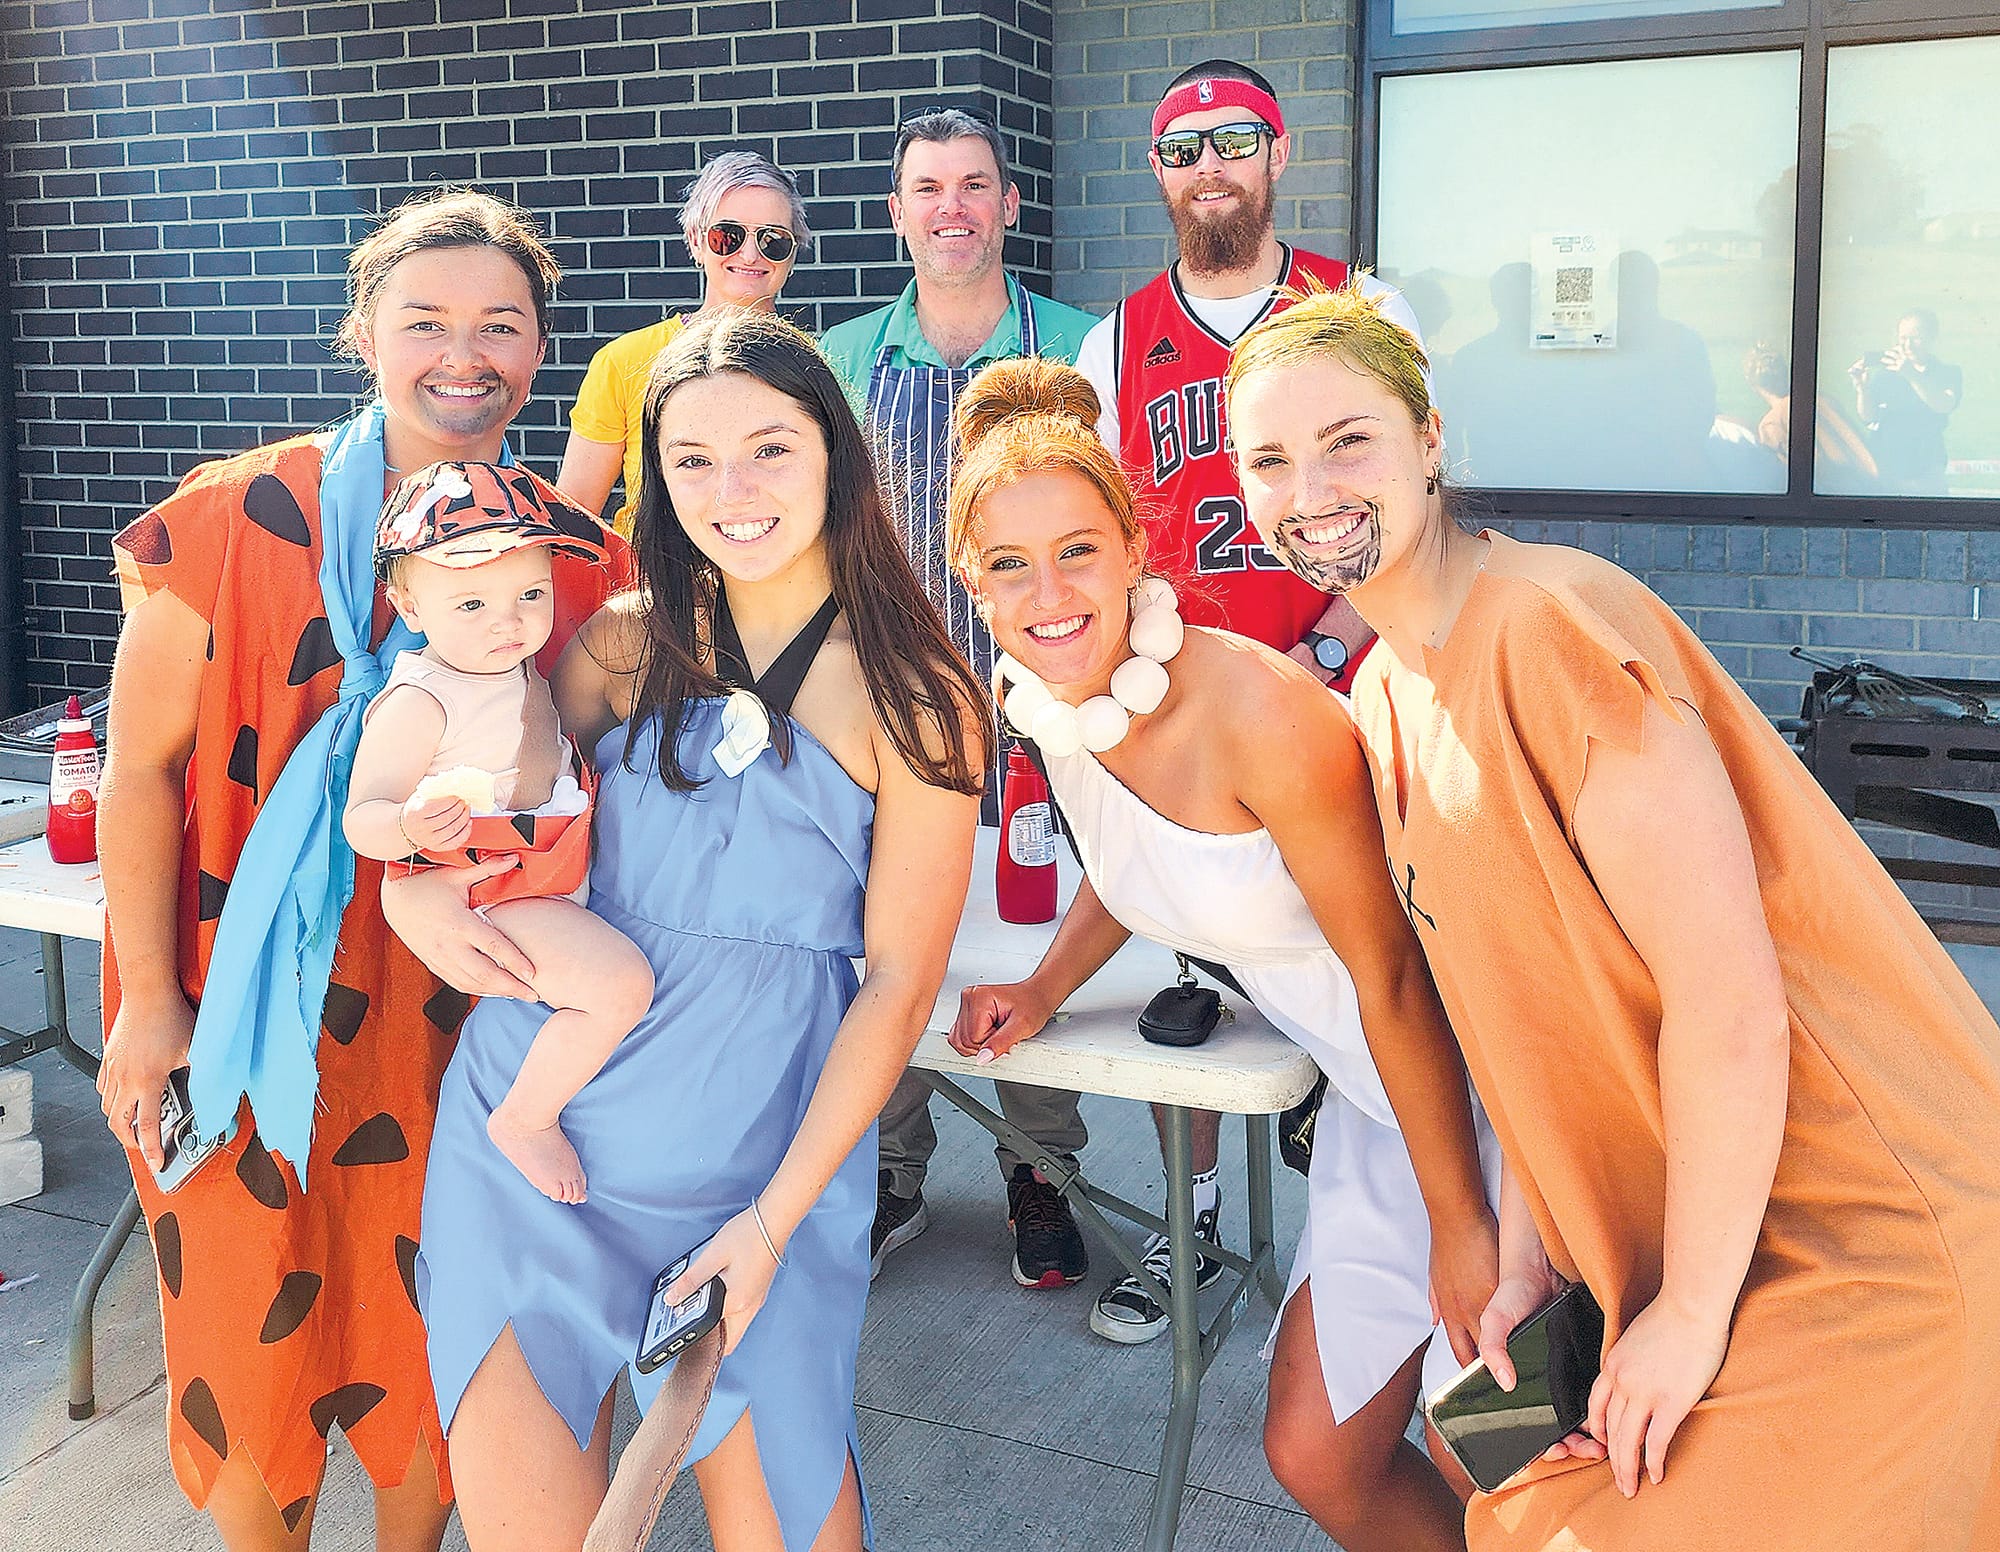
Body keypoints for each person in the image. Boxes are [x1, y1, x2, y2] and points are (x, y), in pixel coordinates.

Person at [1224, 282, 2000, 1549]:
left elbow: (1727, 1005)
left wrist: (1686, 1315)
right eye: (1268, 459)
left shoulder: (1547, 627)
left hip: (1853, 1230)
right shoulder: (1381, 699)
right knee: (1497, 1478)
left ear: (1429, 440)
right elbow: (1525, 1025)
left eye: (1346, 440)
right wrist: (1527, 1263)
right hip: (1654, 1240)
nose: (1308, 488)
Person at [93, 189, 628, 1551]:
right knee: (246, 1333)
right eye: (425, 321)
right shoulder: (231, 519)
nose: (464, 355)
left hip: (459, 1019)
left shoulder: (577, 566)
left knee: (426, 1336)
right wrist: (147, 998)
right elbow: (139, 769)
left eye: (500, 325)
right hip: (235, 1004)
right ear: (364, 335)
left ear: (539, 349)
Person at [405, 310, 992, 1552]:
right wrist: (416, 884)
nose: (733, 490)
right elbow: (502, 810)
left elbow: (898, 982)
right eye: (692, 459)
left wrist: (773, 1222)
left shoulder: (919, 695)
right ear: (657, 480)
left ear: (835, 452)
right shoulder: (621, 642)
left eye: (770, 448)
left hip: (760, 1161)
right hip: (535, 1140)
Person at [942, 357, 1501, 1550]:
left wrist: (1466, 1228)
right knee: (1316, 1453)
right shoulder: (1055, 695)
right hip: (1377, 1105)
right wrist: (1042, 985)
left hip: (1491, 1107)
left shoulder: (1256, 712)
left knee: (1506, 1464)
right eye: (1009, 564)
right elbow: (1129, 857)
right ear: (971, 582)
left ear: (1132, 551)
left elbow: (1395, 976)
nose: (1049, 591)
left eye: (1077, 551)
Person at [1071, 58, 1423, 1345]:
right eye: (1182, 148)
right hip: (1192, 715)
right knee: (1188, 1003)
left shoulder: (1358, 306)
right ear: (1156, 172)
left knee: (1375, 968)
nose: (1207, 166)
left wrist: (1327, 650)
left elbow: (1416, 498)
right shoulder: (1115, 340)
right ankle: (1195, 1226)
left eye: (1233, 140)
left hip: (1351, 687)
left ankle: (1382, 1224)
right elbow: (1106, 537)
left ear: (1278, 153)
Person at [819, 107, 1099, 1291]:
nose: (952, 208)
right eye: (928, 188)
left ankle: (1040, 1168)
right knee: (889, 936)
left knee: (1033, 932)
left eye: (974, 185)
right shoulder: (840, 359)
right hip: (889, 709)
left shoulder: (1080, 349)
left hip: (1045, 702)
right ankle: (891, 1168)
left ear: (1008, 205)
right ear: (896, 213)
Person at [346, 462, 652, 1205]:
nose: (507, 622)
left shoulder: (517, 671)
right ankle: (526, 1118)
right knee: (619, 988)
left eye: (530, 596)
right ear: (409, 604)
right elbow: (364, 817)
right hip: (497, 890)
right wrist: (408, 827)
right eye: (472, 602)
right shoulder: (421, 700)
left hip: (545, 872)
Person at [557, 151, 810, 533]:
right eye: (728, 236)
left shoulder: (815, 365)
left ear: (791, 254)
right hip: (653, 570)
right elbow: (572, 520)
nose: (750, 254)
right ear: (696, 240)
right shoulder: (625, 362)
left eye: (772, 240)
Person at [1850, 306, 1962, 495]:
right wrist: (1863, 389)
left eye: (1916, 338)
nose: (1908, 346)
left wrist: (1910, 374)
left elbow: (1943, 405)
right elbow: (1868, 417)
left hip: (1926, 465)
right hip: (1884, 464)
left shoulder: (1947, 373)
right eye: (1903, 338)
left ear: (1932, 337)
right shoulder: (1884, 375)